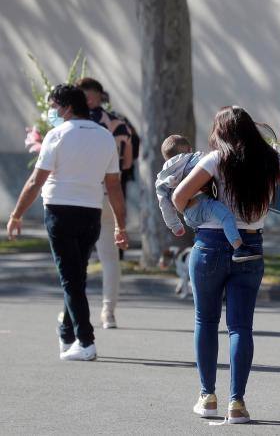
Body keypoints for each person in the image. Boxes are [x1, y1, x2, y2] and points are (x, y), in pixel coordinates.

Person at [172, 106, 280, 423]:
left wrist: (204, 206)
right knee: (240, 327)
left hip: (209, 243)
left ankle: (207, 397)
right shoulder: (273, 161)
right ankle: (237, 403)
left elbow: (178, 197)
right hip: (250, 244)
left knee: (205, 321)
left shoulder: (215, 159)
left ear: (220, 132)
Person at [5, 84, 128, 361]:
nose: (52, 112)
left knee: (70, 277)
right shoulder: (105, 136)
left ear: (67, 107)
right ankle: (66, 333)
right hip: (91, 213)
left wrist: (16, 214)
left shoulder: (57, 135)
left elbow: (37, 180)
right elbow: (115, 186)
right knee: (75, 274)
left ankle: (86, 342)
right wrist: (121, 224)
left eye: (54, 107)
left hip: (60, 212)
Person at [77, 77, 133, 329]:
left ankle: (74, 309)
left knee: (77, 257)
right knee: (110, 258)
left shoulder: (75, 125)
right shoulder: (119, 124)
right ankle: (108, 312)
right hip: (110, 193)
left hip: (82, 194)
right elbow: (129, 163)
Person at [156, 134, 261, 262]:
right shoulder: (194, 158)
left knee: (206, 226)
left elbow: (164, 203)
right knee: (226, 216)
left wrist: (175, 225)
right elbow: (213, 161)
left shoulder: (162, 178)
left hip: (188, 215)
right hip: (203, 203)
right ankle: (239, 248)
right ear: (189, 149)